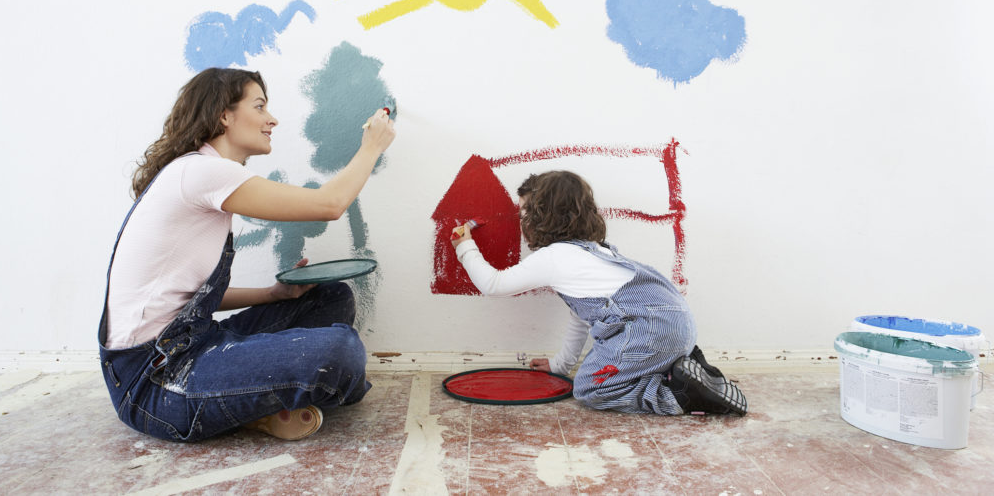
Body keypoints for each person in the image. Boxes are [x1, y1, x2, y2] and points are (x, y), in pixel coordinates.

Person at [99, 67, 396, 442]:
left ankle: (253, 404)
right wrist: (372, 147)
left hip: (192, 344)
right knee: (340, 351)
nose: (272, 119)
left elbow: (189, 300)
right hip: (155, 383)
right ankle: (255, 406)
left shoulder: (199, 173)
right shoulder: (203, 172)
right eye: (259, 107)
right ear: (224, 114)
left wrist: (273, 296)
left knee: (331, 298)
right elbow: (330, 204)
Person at [450, 170, 746, 416]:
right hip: (677, 326)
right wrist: (560, 365)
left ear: (543, 217)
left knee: (590, 387)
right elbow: (580, 317)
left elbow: (493, 284)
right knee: (606, 366)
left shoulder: (553, 257)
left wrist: (464, 245)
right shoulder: (595, 250)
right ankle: (687, 369)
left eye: (525, 211)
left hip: (649, 331)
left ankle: (678, 394)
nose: (520, 219)